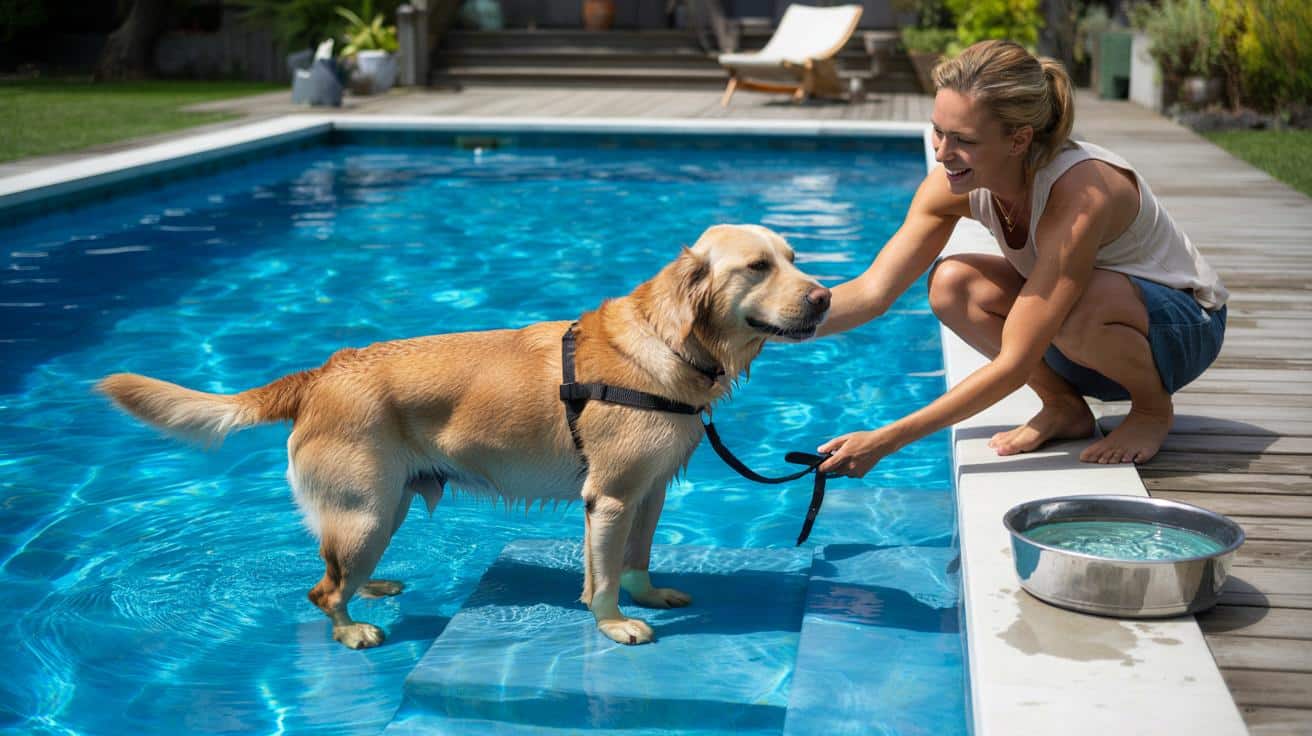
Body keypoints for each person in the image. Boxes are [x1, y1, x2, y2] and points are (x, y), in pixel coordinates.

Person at [814, 39, 1227, 478]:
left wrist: (884, 441)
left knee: (1076, 303)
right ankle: (1064, 407)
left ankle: (1151, 410)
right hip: (1084, 339)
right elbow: (871, 293)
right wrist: (761, 327)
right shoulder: (952, 185)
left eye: (964, 140)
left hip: (1182, 332)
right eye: (938, 131)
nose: (941, 152)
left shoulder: (1078, 193)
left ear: (1019, 140)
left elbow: (1015, 362)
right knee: (952, 283)